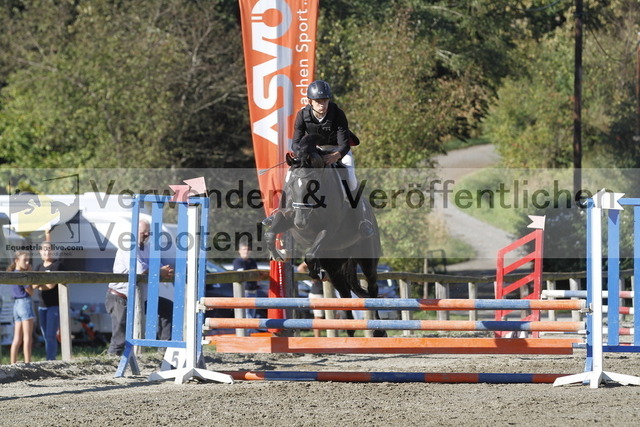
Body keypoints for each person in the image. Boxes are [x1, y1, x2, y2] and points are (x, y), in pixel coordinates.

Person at [290, 80, 373, 237]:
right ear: (310, 101)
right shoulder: (302, 115)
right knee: (291, 174)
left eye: (325, 100)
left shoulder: (338, 114)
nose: (322, 104)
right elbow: (295, 143)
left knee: (351, 179)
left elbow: (345, 144)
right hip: (316, 151)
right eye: (318, 101)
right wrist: (302, 153)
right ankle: (281, 210)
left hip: (337, 150)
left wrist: (335, 156)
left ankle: (362, 220)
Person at [105, 219, 174, 356]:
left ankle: (165, 350)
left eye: (149, 232)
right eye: (144, 232)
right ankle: (111, 362)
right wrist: (161, 271)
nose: (147, 235)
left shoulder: (147, 248)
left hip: (139, 297)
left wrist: (166, 271)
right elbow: (140, 269)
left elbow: (158, 267)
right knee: (119, 340)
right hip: (121, 297)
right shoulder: (128, 246)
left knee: (167, 308)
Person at [33, 236, 64, 361]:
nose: (46, 252)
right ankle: (50, 357)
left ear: (52, 251)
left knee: (51, 334)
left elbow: (51, 285)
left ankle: (51, 359)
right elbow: (33, 285)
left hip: (54, 305)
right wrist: (41, 285)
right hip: (42, 305)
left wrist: (40, 285)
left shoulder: (57, 265)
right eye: (44, 249)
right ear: (40, 252)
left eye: (49, 249)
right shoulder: (38, 267)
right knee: (45, 335)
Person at [9, 251, 35, 364]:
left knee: (17, 338)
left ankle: (12, 362)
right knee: (27, 337)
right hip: (25, 303)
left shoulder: (12, 274)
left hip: (16, 305)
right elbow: (30, 291)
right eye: (25, 260)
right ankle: (28, 362)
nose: (27, 262)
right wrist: (30, 273)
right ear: (17, 261)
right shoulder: (22, 275)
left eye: (28, 260)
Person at [232, 242, 259, 318]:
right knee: (246, 315)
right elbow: (241, 274)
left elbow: (257, 274)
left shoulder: (252, 262)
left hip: (253, 292)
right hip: (244, 292)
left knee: (252, 315)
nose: (246, 251)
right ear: (239, 251)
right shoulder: (237, 262)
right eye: (244, 249)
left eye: (247, 249)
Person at [297, 261, 325, 338]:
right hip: (317, 292)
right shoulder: (317, 258)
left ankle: (332, 337)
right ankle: (317, 338)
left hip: (328, 291)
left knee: (334, 316)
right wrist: (311, 278)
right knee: (318, 317)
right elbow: (300, 268)